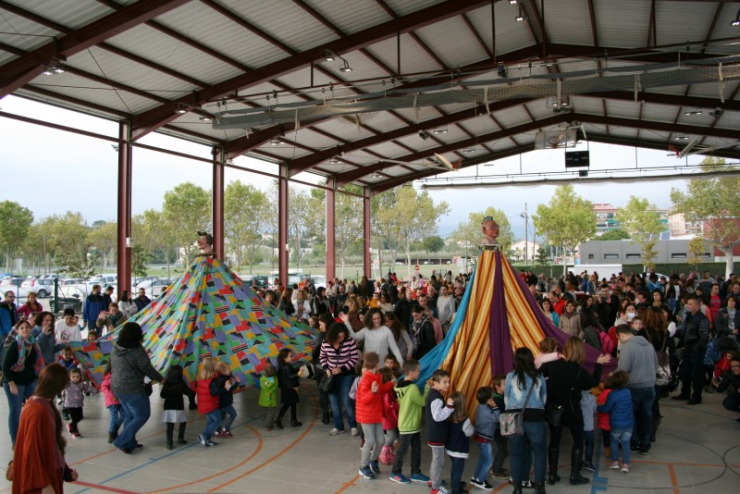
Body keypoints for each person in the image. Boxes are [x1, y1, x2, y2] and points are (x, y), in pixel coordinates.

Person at [541, 337, 610, 486]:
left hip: (554, 408)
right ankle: (574, 474)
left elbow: (539, 374)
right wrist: (598, 364)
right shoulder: (580, 371)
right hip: (573, 410)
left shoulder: (551, 366)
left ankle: (552, 474)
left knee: (554, 441)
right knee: (578, 441)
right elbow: (592, 384)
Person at [10, 363, 79, 493]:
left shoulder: (43, 403)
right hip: (42, 479)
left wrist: (66, 472)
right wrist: (43, 484)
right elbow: (31, 451)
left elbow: (53, 445)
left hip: (50, 470)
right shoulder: (38, 410)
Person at [111, 322, 164, 454]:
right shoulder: (137, 351)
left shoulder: (115, 348)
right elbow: (147, 369)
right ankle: (121, 440)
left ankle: (129, 443)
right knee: (142, 415)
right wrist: (161, 379)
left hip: (117, 387)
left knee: (130, 414)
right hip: (133, 388)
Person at [504, 347, 548, 494]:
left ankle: (517, 488)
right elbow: (544, 398)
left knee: (516, 454)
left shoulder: (511, 376)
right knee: (540, 453)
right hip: (535, 417)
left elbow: (506, 399)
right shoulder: (539, 376)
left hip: (513, 416)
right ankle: (539, 488)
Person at [389, 359, 430, 485]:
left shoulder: (397, 386)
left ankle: (415, 472)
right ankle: (395, 472)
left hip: (407, 423)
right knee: (403, 449)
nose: (419, 373)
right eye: (418, 371)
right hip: (410, 424)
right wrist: (427, 389)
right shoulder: (412, 388)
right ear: (411, 372)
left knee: (416, 447)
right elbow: (422, 402)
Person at [2, 319, 42, 446]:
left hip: (29, 380)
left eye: (27, 327)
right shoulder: (15, 345)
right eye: (22, 328)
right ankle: (15, 441)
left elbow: (37, 362)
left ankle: (33, 435)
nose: (25, 330)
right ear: (18, 331)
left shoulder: (34, 344)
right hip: (14, 381)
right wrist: (11, 383)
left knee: (36, 408)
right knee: (15, 411)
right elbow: (5, 366)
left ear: (30, 329)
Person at [320, 322, 359, 436]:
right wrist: (326, 369)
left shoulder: (350, 341)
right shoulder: (325, 343)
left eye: (343, 336)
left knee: (347, 399)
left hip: (347, 374)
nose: (342, 339)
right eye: (339, 337)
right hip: (332, 376)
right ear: (333, 335)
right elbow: (322, 357)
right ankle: (339, 426)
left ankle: (353, 425)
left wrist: (341, 369)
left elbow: (354, 358)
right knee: (334, 400)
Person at [357, 352, 388, 480]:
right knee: (369, 441)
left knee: (381, 440)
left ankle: (373, 461)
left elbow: (380, 391)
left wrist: (390, 384)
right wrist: (372, 392)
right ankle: (363, 467)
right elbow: (363, 399)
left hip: (375, 414)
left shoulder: (376, 377)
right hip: (367, 416)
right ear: (377, 364)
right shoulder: (366, 380)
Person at [674, 295, 710, 405]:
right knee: (686, 372)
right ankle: (685, 393)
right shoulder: (689, 316)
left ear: (697, 305)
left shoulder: (702, 319)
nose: (688, 306)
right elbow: (685, 331)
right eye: (687, 303)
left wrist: (694, 348)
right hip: (688, 349)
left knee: (696, 374)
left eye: (690, 304)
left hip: (696, 351)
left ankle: (696, 397)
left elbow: (704, 337)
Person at [598, 371, 634, 473]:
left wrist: (599, 407)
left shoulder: (612, 394)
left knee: (613, 441)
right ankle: (625, 464)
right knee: (626, 443)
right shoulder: (628, 392)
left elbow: (607, 408)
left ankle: (615, 462)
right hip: (629, 423)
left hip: (616, 424)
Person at [426, 369, 454, 494]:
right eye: (444, 382)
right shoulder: (436, 397)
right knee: (438, 461)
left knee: (435, 459)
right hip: (436, 435)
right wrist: (449, 407)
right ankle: (435, 489)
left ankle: (433, 480)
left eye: (448, 382)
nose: (447, 384)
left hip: (433, 433)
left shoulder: (433, 393)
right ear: (436, 384)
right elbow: (437, 416)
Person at [470, 386, 499, 490]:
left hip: (479, 437)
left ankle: (475, 477)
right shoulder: (487, 411)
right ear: (489, 399)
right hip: (484, 439)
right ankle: (480, 480)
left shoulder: (481, 407)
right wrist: (495, 406)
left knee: (483, 458)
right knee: (489, 460)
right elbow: (498, 418)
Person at [446, 391, 474, 494]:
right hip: (460, 450)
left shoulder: (448, 417)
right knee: (458, 469)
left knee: (454, 467)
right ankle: (456, 489)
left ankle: (455, 483)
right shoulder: (464, 420)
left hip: (450, 448)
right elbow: (469, 433)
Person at [160, 364, 194, 449]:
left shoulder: (167, 382)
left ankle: (169, 443)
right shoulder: (181, 382)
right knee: (182, 422)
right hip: (178, 406)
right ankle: (180, 438)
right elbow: (189, 393)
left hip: (168, 406)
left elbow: (162, 395)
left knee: (170, 425)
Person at [62, 367, 96, 438]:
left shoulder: (81, 384)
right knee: (74, 419)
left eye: (77, 376)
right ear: (69, 377)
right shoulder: (67, 384)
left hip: (79, 404)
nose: (75, 378)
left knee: (80, 417)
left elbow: (89, 388)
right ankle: (75, 431)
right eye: (73, 376)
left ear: (80, 377)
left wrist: (97, 389)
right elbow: (59, 386)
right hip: (69, 404)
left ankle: (70, 425)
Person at [196, 357, 222, 447]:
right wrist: (225, 389)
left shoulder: (203, 377)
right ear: (212, 367)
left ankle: (207, 439)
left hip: (204, 404)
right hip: (210, 404)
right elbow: (214, 392)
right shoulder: (213, 379)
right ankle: (203, 435)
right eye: (216, 364)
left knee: (211, 420)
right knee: (218, 420)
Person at [379, 367, 400, 466]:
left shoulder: (387, 389)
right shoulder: (387, 391)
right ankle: (384, 451)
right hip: (388, 417)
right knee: (392, 435)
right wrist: (398, 405)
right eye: (391, 375)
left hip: (389, 417)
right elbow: (389, 404)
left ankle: (388, 452)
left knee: (391, 434)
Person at [276, 347, 302, 428]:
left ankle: (282, 419)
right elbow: (291, 376)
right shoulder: (287, 366)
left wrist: (297, 369)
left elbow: (289, 373)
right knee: (291, 404)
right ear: (284, 358)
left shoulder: (283, 366)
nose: (293, 358)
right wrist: (299, 372)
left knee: (289, 404)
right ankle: (292, 420)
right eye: (290, 356)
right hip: (290, 388)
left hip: (286, 388)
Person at [491, 375, 509, 479]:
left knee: (502, 448)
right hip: (497, 428)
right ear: (497, 387)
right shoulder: (498, 400)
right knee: (503, 449)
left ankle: (496, 467)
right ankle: (496, 470)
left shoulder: (499, 398)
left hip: (499, 428)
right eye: (504, 384)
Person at [213, 361, 238, 437]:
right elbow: (229, 389)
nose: (230, 370)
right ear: (223, 371)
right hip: (226, 402)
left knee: (221, 417)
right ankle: (226, 429)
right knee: (233, 414)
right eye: (228, 369)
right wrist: (237, 383)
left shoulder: (219, 378)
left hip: (220, 402)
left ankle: (217, 431)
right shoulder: (226, 380)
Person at [100, 362, 124, 443]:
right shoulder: (108, 377)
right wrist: (112, 395)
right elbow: (104, 387)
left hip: (120, 401)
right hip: (111, 401)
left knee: (124, 415)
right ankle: (111, 434)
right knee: (114, 417)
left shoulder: (121, 376)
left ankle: (114, 430)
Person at [259, 360, 279, 431]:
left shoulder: (262, 379)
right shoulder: (275, 379)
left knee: (267, 410)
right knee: (271, 411)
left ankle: (267, 421)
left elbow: (260, 386)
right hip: (271, 398)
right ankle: (269, 424)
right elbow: (275, 387)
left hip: (264, 398)